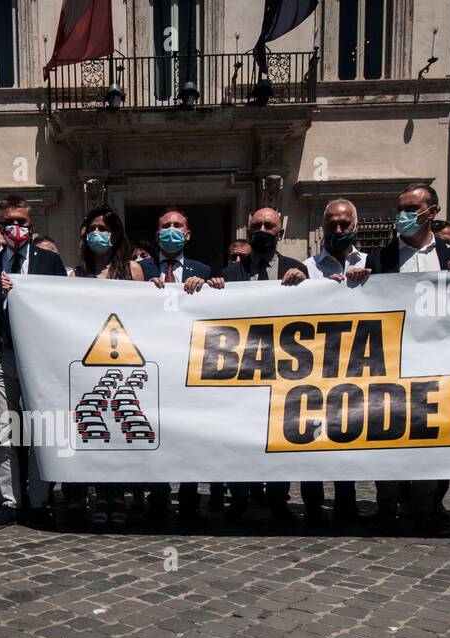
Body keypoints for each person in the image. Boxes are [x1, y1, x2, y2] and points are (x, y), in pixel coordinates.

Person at [351, 183, 450, 534]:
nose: (403, 215)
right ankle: (386, 508)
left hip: (437, 362)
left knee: (431, 437)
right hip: (392, 360)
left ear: (431, 211)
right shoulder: (380, 257)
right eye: (400, 208)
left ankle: (424, 510)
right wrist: (358, 281)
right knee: (387, 436)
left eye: (411, 208)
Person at [0, 194, 66, 529]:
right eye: (9, 223)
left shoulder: (49, 262)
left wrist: (23, 290)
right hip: (2, 355)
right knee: (0, 431)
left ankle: (38, 500)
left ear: (31, 226)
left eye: (22, 222)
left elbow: (60, 304)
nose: (15, 228)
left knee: (39, 431)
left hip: (38, 357)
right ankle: (9, 501)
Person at [220, 207, 308, 529]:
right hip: (241, 371)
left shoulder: (296, 270)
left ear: (279, 232)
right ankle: (239, 499)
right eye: (256, 224)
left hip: (283, 370)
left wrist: (304, 285)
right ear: (248, 229)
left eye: (268, 225)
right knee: (240, 436)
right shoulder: (230, 275)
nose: (262, 229)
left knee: (279, 439)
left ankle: (277, 500)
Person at [140, 208, 224, 522]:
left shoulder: (202, 268)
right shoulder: (139, 269)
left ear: (187, 235)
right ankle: (158, 496)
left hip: (189, 362)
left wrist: (210, 284)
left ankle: (189, 497)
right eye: (165, 226)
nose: (171, 230)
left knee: (189, 432)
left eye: (177, 226)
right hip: (153, 364)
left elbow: (218, 309)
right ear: (157, 233)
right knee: (156, 430)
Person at [67, 205, 144, 528]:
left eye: (106, 228)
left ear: (116, 234)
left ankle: (119, 495)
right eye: (94, 228)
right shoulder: (74, 275)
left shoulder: (133, 271)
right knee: (95, 428)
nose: (100, 234)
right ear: (85, 233)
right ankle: (99, 493)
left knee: (119, 427)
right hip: (88, 361)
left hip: (124, 359)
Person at [298, 198, 370, 525]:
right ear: (323, 227)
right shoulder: (307, 268)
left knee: (347, 435)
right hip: (313, 367)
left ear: (355, 226)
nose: (338, 229)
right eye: (332, 225)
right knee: (310, 437)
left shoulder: (373, 264)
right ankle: (312, 507)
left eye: (344, 224)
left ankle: (346, 503)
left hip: (359, 365)